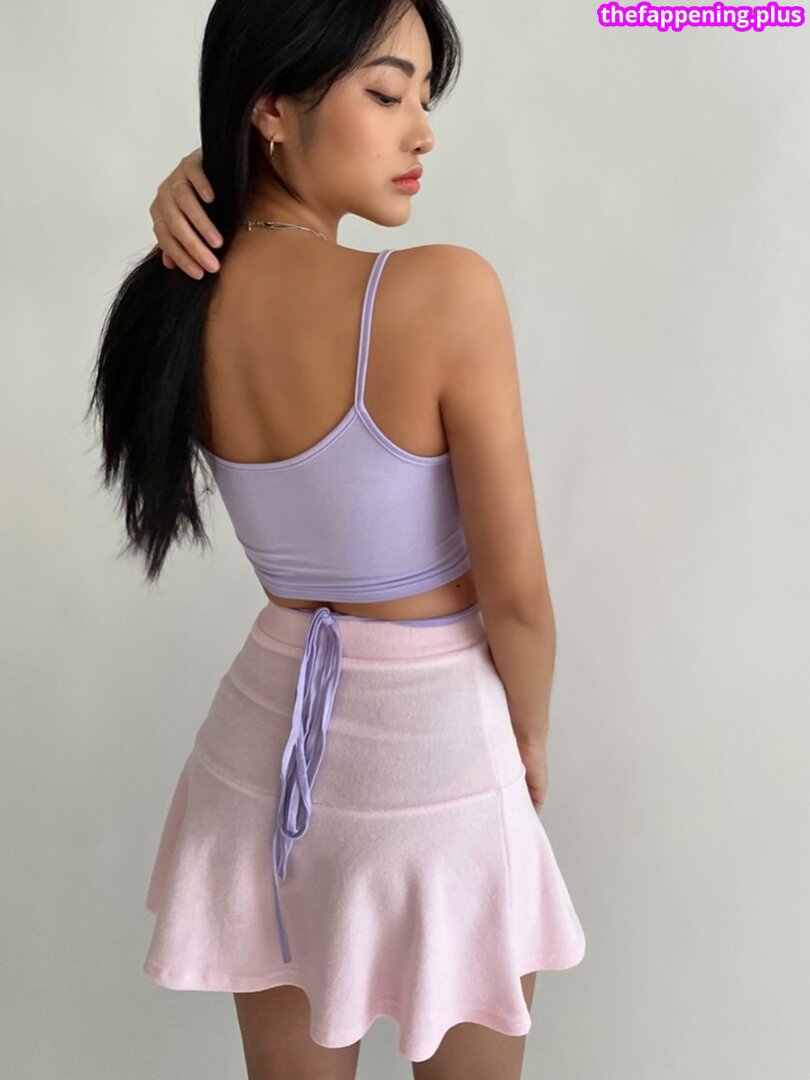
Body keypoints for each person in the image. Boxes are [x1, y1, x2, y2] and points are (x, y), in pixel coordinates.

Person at [89, 1, 586, 1077]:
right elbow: (518, 599)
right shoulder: (444, 293)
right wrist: (531, 734)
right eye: (387, 92)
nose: (423, 132)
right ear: (272, 108)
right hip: (431, 751)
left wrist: (213, 167)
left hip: (260, 751)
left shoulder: (178, 299)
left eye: (424, 98)